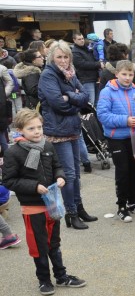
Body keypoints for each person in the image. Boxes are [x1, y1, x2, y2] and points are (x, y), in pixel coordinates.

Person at [2, 109, 87, 295]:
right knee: (39, 245)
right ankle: (44, 280)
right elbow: (9, 180)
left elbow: (57, 166)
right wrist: (34, 186)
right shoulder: (13, 153)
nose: (37, 131)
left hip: (52, 203)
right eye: (31, 128)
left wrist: (60, 177)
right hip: (33, 207)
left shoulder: (47, 146)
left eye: (39, 127)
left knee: (54, 242)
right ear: (20, 129)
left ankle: (62, 276)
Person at [37, 41, 96, 230]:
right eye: (59, 57)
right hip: (57, 131)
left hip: (72, 128)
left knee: (76, 174)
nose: (63, 60)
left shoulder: (71, 73)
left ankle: (79, 209)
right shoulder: (48, 75)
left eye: (66, 56)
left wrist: (69, 96)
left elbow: (85, 96)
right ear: (51, 58)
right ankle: (71, 213)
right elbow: (57, 103)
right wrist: (74, 98)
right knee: (68, 175)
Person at [97, 60, 135, 222]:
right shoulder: (107, 92)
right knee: (122, 171)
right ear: (117, 74)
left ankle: (133, 202)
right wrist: (125, 120)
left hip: (133, 136)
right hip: (116, 137)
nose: (127, 78)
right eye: (124, 74)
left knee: (134, 169)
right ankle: (121, 205)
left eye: (130, 74)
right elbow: (103, 115)